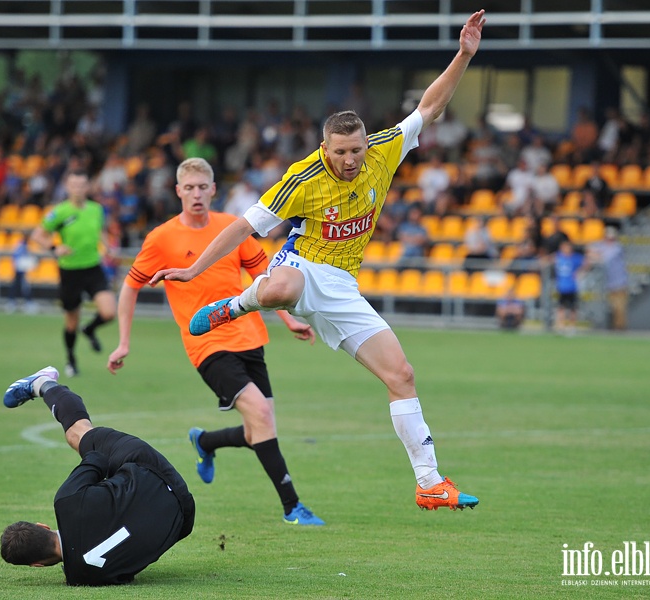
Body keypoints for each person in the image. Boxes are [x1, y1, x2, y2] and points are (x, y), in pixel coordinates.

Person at [150, 11, 487, 512]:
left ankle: (429, 482)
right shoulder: (303, 178)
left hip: (342, 287)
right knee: (282, 289)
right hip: (300, 265)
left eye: (356, 150)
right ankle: (234, 305)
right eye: (340, 152)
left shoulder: (383, 150)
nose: (350, 160)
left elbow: (430, 106)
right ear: (324, 147)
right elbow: (244, 227)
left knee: (402, 375)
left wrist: (463, 54)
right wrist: (196, 269)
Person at [107, 158, 324, 525]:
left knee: (261, 428)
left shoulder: (232, 230)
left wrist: (289, 320)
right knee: (262, 413)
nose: (196, 194)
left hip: (251, 335)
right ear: (178, 191)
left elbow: (266, 276)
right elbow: (130, 289)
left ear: (213, 190)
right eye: (188, 188)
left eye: (202, 187)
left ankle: (205, 442)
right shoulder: (161, 239)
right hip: (206, 343)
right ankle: (292, 507)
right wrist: (123, 342)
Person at [0, 366, 195, 586]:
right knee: (78, 434)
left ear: (38, 565)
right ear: (42, 526)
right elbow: (98, 458)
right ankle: (42, 383)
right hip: (150, 469)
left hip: (183, 516)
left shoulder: (81, 578)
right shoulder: (66, 501)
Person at [31, 170, 116, 377]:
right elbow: (38, 235)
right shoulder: (59, 212)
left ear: (88, 187)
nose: (78, 189)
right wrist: (54, 248)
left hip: (93, 267)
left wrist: (108, 246)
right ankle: (70, 358)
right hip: (70, 271)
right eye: (74, 185)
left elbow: (101, 230)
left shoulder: (96, 209)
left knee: (109, 312)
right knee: (71, 321)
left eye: (82, 185)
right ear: (68, 187)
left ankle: (90, 329)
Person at [587, 226, 629, 330]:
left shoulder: (617, 248)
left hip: (619, 282)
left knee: (620, 308)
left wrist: (595, 256)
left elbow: (605, 258)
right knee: (611, 307)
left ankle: (620, 329)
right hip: (608, 283)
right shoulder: (603, 246)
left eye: (611, 238)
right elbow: (589, 249)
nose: (610, 240)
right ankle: (613, 327)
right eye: (608, 238)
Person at [553, 239, 585, 335]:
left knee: (572, 308)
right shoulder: (558, 257)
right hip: (561, 287)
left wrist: (580, 272)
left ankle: (572, 327)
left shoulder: (575, 258)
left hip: (572, 286)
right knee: (560, 307)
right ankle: (561, 326)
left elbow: (586, 262)